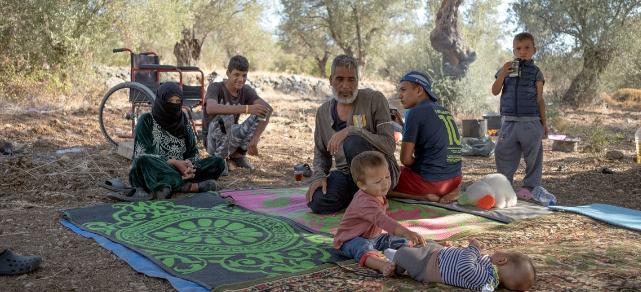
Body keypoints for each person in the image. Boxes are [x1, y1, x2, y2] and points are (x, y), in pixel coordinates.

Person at [306, 54, 399, 214]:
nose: (345, 86)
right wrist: (319, 176)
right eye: (340, 79)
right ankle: (360, 196)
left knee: (353, 141)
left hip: (382, 172)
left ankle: (376, 196)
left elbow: (389, 146)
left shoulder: (374, 99)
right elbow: (321, 152)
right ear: (330, 80)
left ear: (358, 79)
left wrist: (353, 130)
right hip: (349, 175)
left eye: (351, 80)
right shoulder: (322, 112)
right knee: (318, 201)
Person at [333, 151, 426, 276]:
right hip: (349, 240)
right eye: (378, 181)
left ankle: (418, 248)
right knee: (363, 246)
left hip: (374, 238)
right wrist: (406, 231)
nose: (385, 183)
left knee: (396, 238)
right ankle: (381, 265)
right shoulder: (364, 202)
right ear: (362, 185)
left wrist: (407, 235)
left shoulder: (377, 193)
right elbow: (383, 220)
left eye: (387, 177)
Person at [129, 82, 225, 199]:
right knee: (143, 161)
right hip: (156, 169)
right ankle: (189, 187)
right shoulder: (146, 120)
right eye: (170, 101)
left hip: (181, 170)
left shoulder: (183, 120)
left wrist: (189, 165)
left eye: (177, 101)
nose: (173, 105)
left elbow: (193, 152)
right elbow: (142, 154)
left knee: (218, 162)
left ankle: (170, 184)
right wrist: (174, 162)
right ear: (160, 100)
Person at [390, 71, 462, 204]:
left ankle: (423, 197)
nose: (400, 96)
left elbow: (405, 160)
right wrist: (402, 124)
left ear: (418, 90)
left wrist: (423, 166)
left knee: (380, 180)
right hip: (454, 179)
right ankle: (452, 192)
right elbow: (428, 134)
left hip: (431, 183)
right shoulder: (443, 110)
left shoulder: (414, 113)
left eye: (403, 90)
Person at [491, 32, 547, 200]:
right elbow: (495, 91)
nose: (522, 51)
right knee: (503, 152)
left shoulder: (536, 72)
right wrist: (502, 74)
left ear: (534, 50)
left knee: (534, 156)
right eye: (518, 48)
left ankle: (529, 187)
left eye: (527, 48)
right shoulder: (506, 69)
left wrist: (544, 123)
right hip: (508, 121)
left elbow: (540, 99)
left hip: (530, 121)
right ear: (514, 50)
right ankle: (504, 186)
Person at [203, 55, 272, 171]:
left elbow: (267, 109)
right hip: (213, 139)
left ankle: (238, 156)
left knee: (259, 112)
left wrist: (255, 139)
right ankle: (219, 159)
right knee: (226, 117)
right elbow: (210, 108)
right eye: (236, 75)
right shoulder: (215, 87)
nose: (241, 79)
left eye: (244, 75)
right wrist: (246, 109)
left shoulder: (245, 90)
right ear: (228, 73)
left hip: (231, 135)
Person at [390, 239, 535, 291]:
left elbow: (464, 267)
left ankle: (395, 261)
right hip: (438, 253)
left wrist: (473, 249)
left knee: (403, 253)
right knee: (425, 242)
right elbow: (464, 258)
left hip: (426, 265)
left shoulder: (485, 280)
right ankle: (402, 259)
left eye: (504, 253)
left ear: (502, 260)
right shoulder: (488, 270)